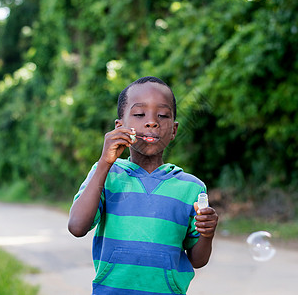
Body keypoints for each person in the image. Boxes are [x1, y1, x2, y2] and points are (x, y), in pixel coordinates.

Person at [68, 76, 218, 295]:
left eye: (163, 115)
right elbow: (77, 227)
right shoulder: (106, 175)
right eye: (139, 114)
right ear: (120, 127)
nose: (151, 122)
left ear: (174, 130)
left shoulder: (191, 188)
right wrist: (104, 164)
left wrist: (207, 233)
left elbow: (198, 260)